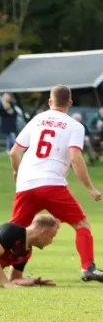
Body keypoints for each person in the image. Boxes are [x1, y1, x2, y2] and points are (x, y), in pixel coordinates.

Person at [8, 84, 103, 282]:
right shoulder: (74, 125)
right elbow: (76, 157)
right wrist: (90, 187)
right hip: (52, 183)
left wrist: (18, 171)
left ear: (50, 102)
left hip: (26, 184)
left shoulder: (37, 119)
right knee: (81, 223)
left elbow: (14, 152)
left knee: (15, 232)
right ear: (70, 103)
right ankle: (88, 268)